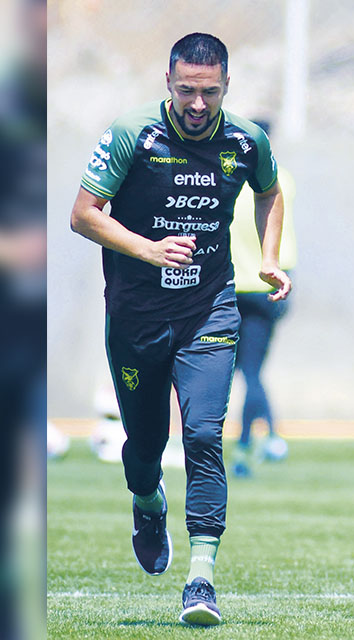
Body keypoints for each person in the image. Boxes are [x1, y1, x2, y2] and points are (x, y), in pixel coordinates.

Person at [70, 32, 291, 627]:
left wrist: (268, 257)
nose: (199, 105)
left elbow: (269, 193)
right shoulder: (130, 134)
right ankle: (147, 503)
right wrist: (148, 250)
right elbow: (83, 215)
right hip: (138, 314)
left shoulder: (247, 139)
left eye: (210, 93)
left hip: (209, 310)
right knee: (143, 449)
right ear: (168, 84)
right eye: (188, 92)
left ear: (226, 87)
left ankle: (201, 577)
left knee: (202, 435)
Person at [228, 121, 297, 478]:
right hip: (270, 283)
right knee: (253, 370)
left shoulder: (230, 180)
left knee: (248, 371)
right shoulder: (280, 178)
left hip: (236, 284)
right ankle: (257, 439)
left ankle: (257, 440)